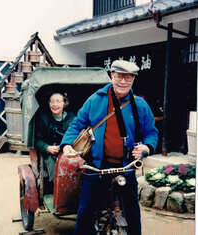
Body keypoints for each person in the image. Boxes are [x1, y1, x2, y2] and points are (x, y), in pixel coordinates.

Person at [60, 60, 158, 235]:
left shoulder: (140, 105)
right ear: (112, 75)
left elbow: (152, 132)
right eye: (119, 76)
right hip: (96, 167)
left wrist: (147, 147)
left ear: (133, 80)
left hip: (126, 167)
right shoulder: (95, 100)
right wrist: (67, 144)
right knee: (85, 213)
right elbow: (77, 124)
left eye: (128, 78)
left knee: (133, 214)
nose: (123, 81)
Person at [35, 92, 75, 193]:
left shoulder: (72, 118)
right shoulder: (43, 118)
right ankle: (59, 193)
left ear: (64, 104)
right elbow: (36, 140)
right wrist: (46, 147)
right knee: (54, 168)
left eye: (58, 101)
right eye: (52, 101)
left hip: (68, 151)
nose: (55, 105)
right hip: (50, 153)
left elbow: (77, 136)